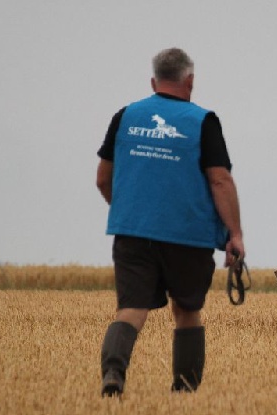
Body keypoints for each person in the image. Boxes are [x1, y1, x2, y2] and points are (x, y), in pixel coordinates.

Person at [95, 47, 244, 397]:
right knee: (187, 311)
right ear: (189, 80)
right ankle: (184, 389)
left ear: (153, 81)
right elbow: (220, 180)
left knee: (131, 310)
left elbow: (103, 178)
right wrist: (234, 234)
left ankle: (113, 375)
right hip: (187, 237)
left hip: (132, 233)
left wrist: (130, 212)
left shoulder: (125, 117)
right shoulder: (203, 122)